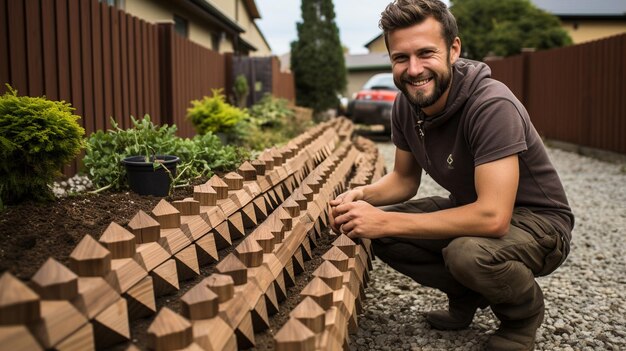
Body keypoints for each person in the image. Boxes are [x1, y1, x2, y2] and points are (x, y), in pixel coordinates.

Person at [329, 0, 574, 350]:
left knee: (466, 253)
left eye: (425, 53)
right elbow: (403, 180)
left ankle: (522, 319)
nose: (413, 69)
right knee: (377, 232)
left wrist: (384, 222)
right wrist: (361, 197)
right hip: (474, 210)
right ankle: (467, 295)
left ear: (453, 49)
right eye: (401, 58)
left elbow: (493, 218)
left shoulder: (490, 105)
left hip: (538, 224)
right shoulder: (406, 104)